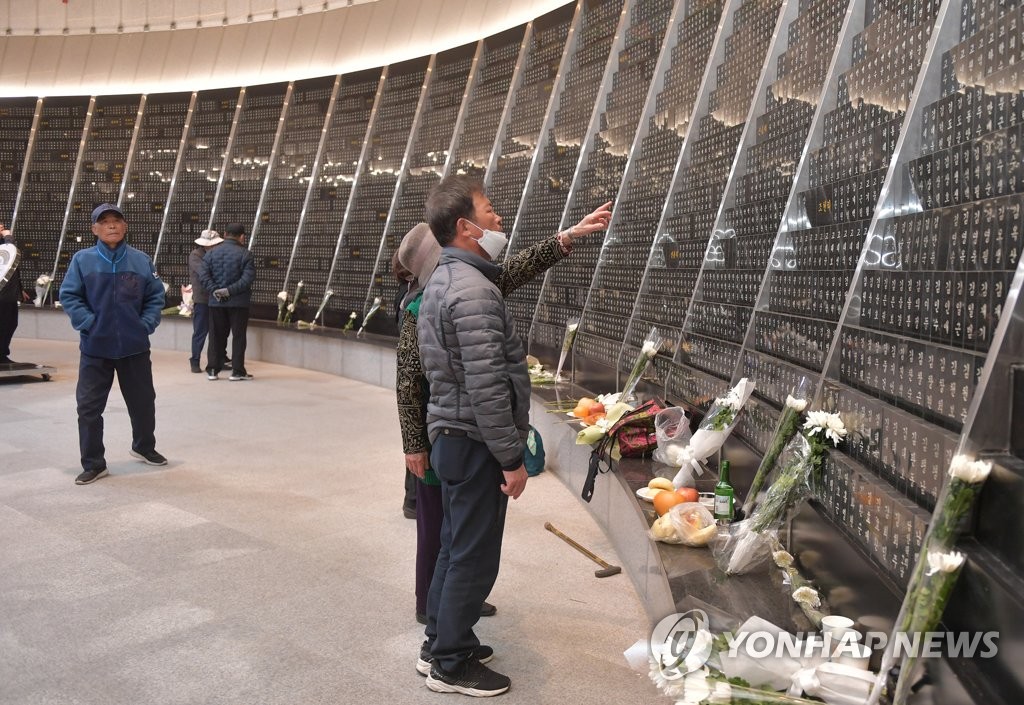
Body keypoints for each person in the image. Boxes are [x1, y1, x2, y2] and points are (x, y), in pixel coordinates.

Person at [413, 176, 611, 696]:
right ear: (465, 227)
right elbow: (486, 386)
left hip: (454, 436)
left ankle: (439, 641)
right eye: (490, 210)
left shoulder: (450, 278)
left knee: (456, 546)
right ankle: (450, 665)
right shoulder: (473, 292)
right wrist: (511, 457)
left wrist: (568, 236)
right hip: (474, 439)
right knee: (473, 555)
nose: (499, 218)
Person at [59, 203, 167, 485]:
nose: (111, 226)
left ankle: (144, 446)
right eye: (104, 221)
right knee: (89, 407)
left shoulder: (141, 261)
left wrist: (145, 325)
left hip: (135, 346)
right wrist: (89, 323)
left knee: (143, 402)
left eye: (116, 221)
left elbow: (156, 297)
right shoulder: (83, 260)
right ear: (94, 229)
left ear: (125, 226)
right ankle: (94, 463)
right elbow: (70, 296)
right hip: (96, 348)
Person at [199, 222, 255, 381]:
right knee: (238, 337)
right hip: (238, 303)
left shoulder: (210, 254)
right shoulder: (246, 254)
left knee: (216, 336)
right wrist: (229, 291)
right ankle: (237, 371)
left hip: (216, 302)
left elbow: (203, 276)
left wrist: (215, 290)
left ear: (224, 234)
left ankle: (212, 370)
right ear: (242, 237)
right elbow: (247, 279)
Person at [187, 229, 224, 373]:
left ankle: (218, 359)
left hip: (216, 298)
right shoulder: (196, 255)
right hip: (202, 298)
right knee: (200, 331)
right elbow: (204, 273)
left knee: (217, 332)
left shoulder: (217, 254)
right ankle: (195, 360)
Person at [0, 226, 29, 364]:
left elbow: (12, 268)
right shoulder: (6, 244)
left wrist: (20, 288)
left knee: (11, 323)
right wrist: (8, 238)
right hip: (2, 294)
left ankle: (2, 354)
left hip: (9, 293)